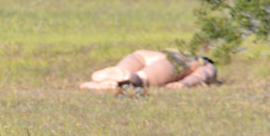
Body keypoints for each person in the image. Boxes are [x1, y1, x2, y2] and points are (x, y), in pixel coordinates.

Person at [80, 49, 217, 91]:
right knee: (143, 77)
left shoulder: (180, 51)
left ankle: (115, 75)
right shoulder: (202, 64)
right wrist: (184, 84)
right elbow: (202, 75)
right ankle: (129, 78)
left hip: (148, 53)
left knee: (136, 58)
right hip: (174, 62)